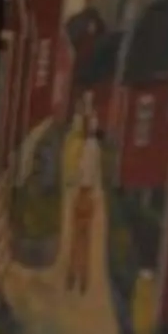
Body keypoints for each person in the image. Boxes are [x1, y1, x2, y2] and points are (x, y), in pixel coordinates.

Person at [64, 113, 103, 296]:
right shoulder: (94, 148)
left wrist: (73, 180)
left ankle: (74, 276)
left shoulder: (86, 148)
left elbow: (80, 172)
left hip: (83, 193)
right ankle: (81, 279)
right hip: (89, 194)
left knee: (77, 238)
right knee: (84, 239)